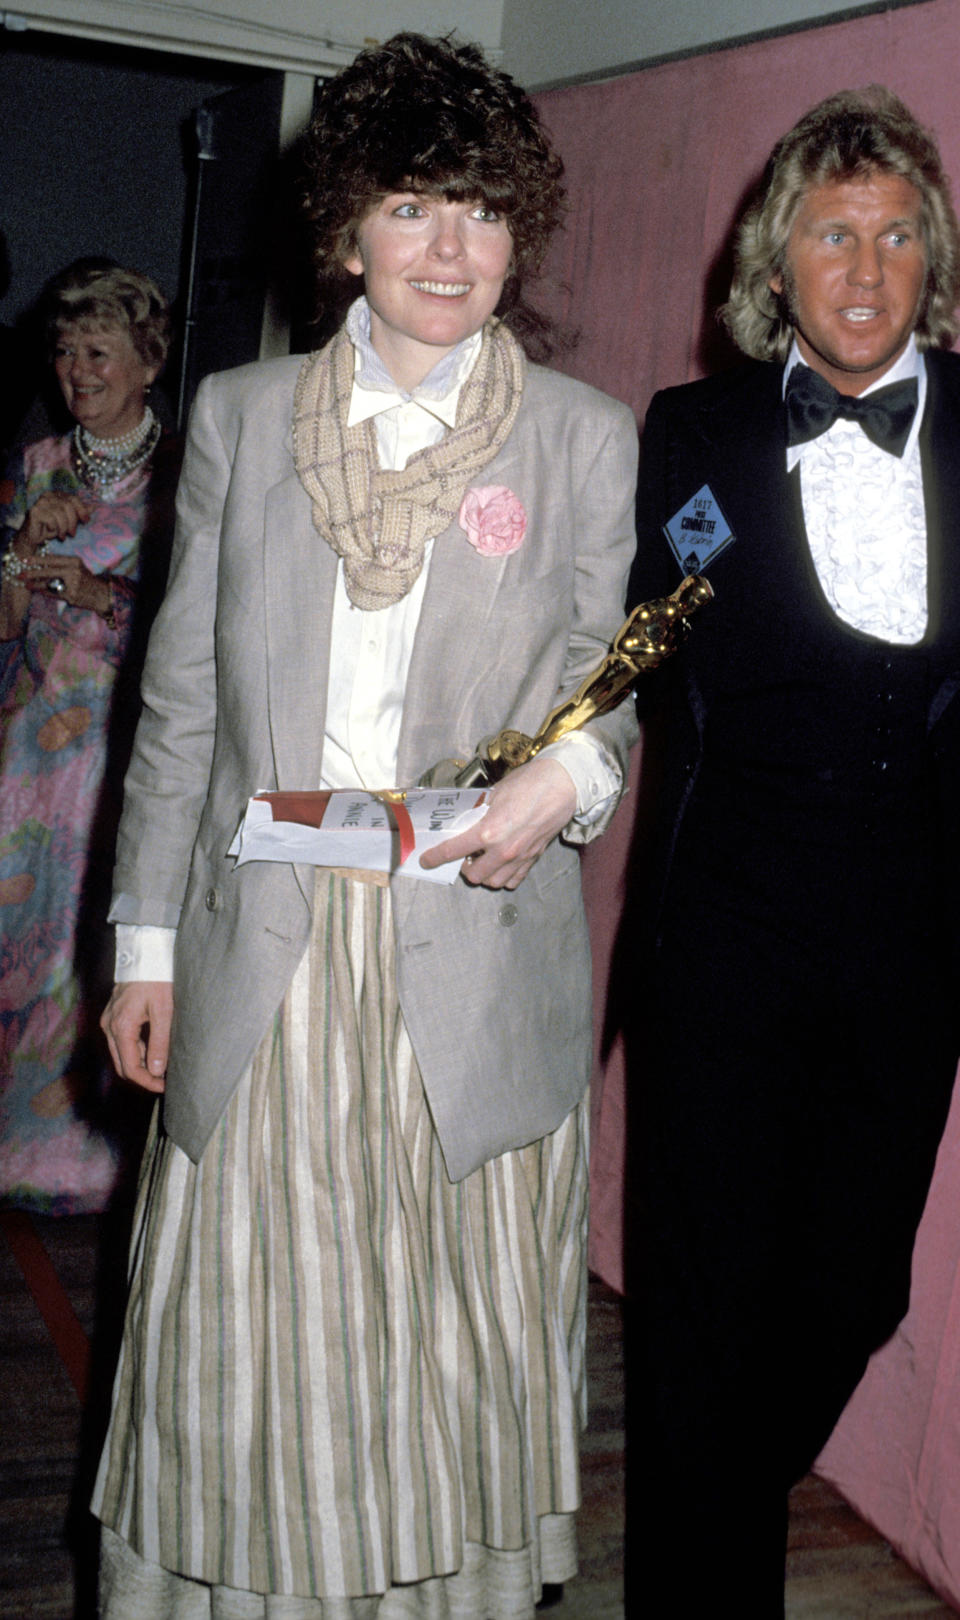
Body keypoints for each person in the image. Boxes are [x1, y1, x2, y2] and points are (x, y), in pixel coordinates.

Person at [92, 33, 639, 1617]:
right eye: (411, 209)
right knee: (255, 1329)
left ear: (518, 230)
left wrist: (577, 775)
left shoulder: (585, 439)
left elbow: (616, 680)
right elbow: (180, 703)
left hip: (466, 948)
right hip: (263, 934)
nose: (450, 250)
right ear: (347, 231)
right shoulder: (244, 421)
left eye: (479, 210)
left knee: (431, 1330)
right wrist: (144, 946)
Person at [622, 83, 960, 1616]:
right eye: (836, 234)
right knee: (703, 1307)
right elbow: (623, 654)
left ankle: (709, 1492)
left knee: (851, 1288)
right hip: (729, 936)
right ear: (780, 265)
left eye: (898, 235)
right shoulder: (690, 434)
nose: (869, 270)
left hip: (915, 942)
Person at [0, 263, 177, 1214]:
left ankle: (88, 1154)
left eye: (96, 350)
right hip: (31, 753)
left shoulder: (183, 474)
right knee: (18, 940)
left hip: (125, 751)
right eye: (64, 351)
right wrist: (24, 552)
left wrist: (97, 591)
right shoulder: (35, 465)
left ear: (146, 360)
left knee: (96, 946)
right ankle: (12, 1139)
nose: (76, 370)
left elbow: (199, 628)